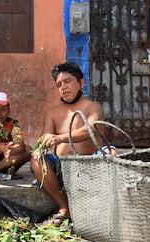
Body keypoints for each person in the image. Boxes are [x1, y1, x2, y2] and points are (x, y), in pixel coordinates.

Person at [30, 62, 106, 226]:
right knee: (37, 160)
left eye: (68, 81)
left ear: (81, 83)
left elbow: (89, 131)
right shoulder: (52, 113)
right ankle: (64, 207)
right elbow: (44, 138)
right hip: (63, 169)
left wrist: (59, 138)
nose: (63, 87)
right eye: (59, 84)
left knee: (111, 153)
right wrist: (39, 147)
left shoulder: (94, 107)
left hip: (91, 169)